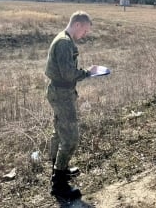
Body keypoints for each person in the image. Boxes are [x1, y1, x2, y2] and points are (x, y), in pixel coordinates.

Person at [45, 11, 97, 199]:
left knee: (59, 132)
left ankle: (59, 167)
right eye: (84, 31)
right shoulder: (65, 42)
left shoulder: (63, 38)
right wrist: (88, 73)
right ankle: (59, 184)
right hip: (62, 94)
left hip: (59, 91)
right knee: (71, 137)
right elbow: (68, 74)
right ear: (76, 25)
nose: (84, 35)